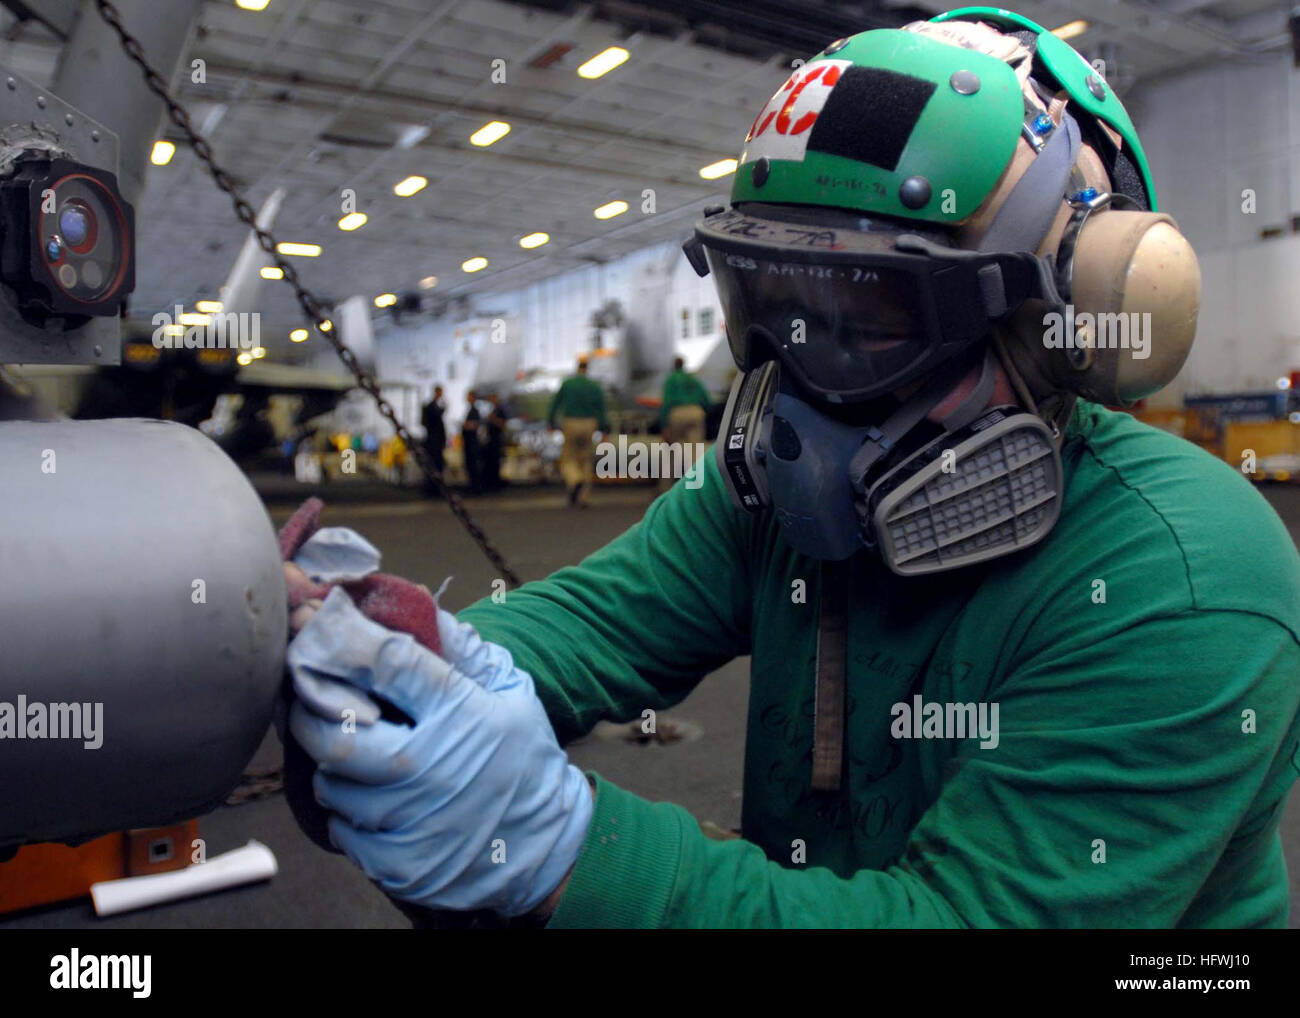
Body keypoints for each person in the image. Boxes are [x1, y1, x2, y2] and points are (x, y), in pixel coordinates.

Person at [283, 11, 1300, 928]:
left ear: (1061, 324)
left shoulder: (1186, 579)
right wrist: (410, 654)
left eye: (864, 318)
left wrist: (567, 853)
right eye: (767, 304)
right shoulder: (766, 496)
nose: (801, 382)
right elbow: (594, 623)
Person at [546, 358, 609, 508]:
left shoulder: (568, 384)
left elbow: (556, 403)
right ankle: (582, 498)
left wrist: (550, 422)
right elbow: (601, 408)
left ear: (577, 368)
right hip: (589, 423)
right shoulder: (594, 386)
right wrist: (604, 428)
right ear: (587, 369)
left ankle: (575, 480)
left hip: (571, 422)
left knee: (568, 458)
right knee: (586, 459)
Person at [658, 356, 711, 491]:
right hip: (696, 412)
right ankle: (697, 489)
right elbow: (707, 401)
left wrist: (664, 425)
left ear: (674, 365)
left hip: (677, 413)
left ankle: (666, 488)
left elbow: (667, 402)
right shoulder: (694, 379)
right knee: (695, 453)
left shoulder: (671, 379)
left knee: (670, 450)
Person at [419, 385, 446, 497]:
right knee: (433, 466)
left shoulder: (433, 407)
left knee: (437, 465)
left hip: (436, 442)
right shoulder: (431, 407)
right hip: (433, 443)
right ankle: (432, 489)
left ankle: (434, 489)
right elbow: (432, 421)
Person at [460, 388, 483, 494]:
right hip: (470, 443)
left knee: (473, 465)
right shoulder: (471, 410)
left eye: (469, 396)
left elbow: (474, 425)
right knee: (470, 465)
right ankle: (473, 486)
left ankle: (475, 487)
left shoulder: (474, 411)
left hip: (472, 443)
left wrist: (465, 425)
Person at [483, 392, 507, 492]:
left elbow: (502, 424)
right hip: (491, 441)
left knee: (496, 462)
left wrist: (493, 419)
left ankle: (496, 484)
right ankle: (491, 483)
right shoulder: (492, 410)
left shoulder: (499, 411)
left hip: (497, 441)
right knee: (491, 463)